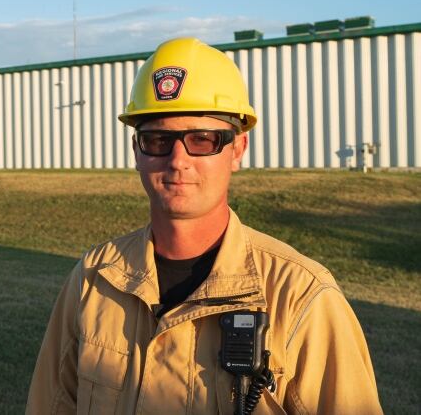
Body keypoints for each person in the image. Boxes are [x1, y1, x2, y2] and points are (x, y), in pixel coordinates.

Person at [26, 38, 382, 414]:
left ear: (238, 150)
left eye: (202, 139)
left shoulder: (300, 297)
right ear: (136, 151)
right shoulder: (95, 279)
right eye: (158, 139)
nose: (178, 160)